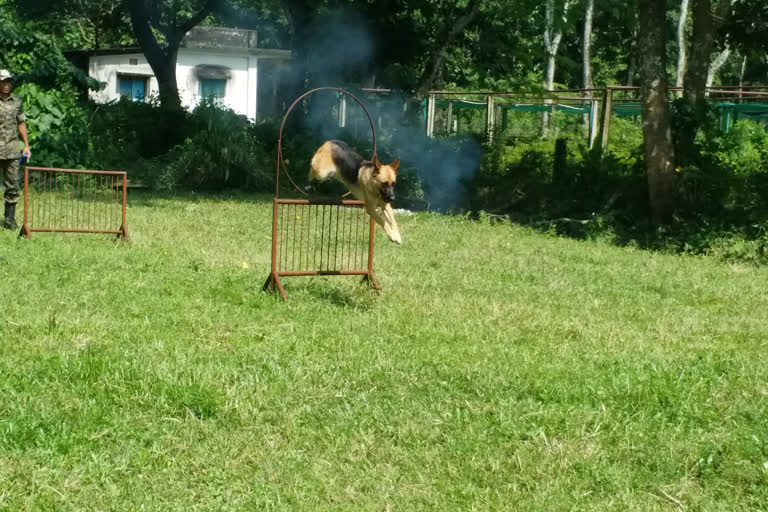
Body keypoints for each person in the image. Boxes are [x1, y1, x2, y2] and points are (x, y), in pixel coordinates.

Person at [0, 69, 31, 230]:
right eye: (3, 81)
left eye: (8, 81)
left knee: (13, 185)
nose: (6, 84)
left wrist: (26, 145)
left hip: (12, 149)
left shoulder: (17, 102)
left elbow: (21, 123)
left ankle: (9, 219)